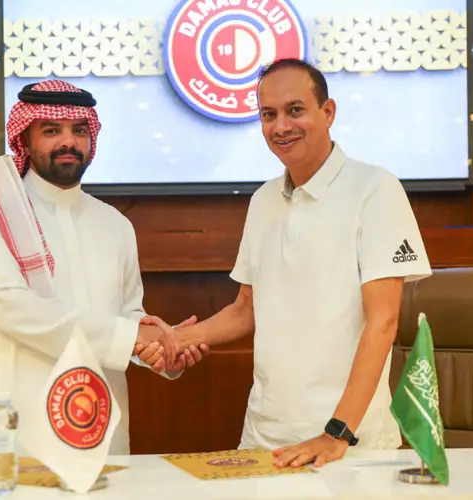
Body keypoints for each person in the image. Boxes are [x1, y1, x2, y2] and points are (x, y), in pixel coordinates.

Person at [170, 58, 432, 467]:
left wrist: (337, 433)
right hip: (263, 440)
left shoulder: (375, 189)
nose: (281, 127)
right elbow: (245, 310)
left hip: (346, 445)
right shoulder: (262, 200)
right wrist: (174, 340)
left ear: (328, 112)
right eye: (268, 115)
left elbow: (383, 322)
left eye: (295, 110)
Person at [0, 79, 207, 458]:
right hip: (15, 432)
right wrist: (133, 337)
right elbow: (12, 310)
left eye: (79, 131)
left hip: (96, 429)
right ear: (25, 138)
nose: (68, 142)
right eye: (52, 131)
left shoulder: (115, 225)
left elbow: (127, 317)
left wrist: (162, 351)